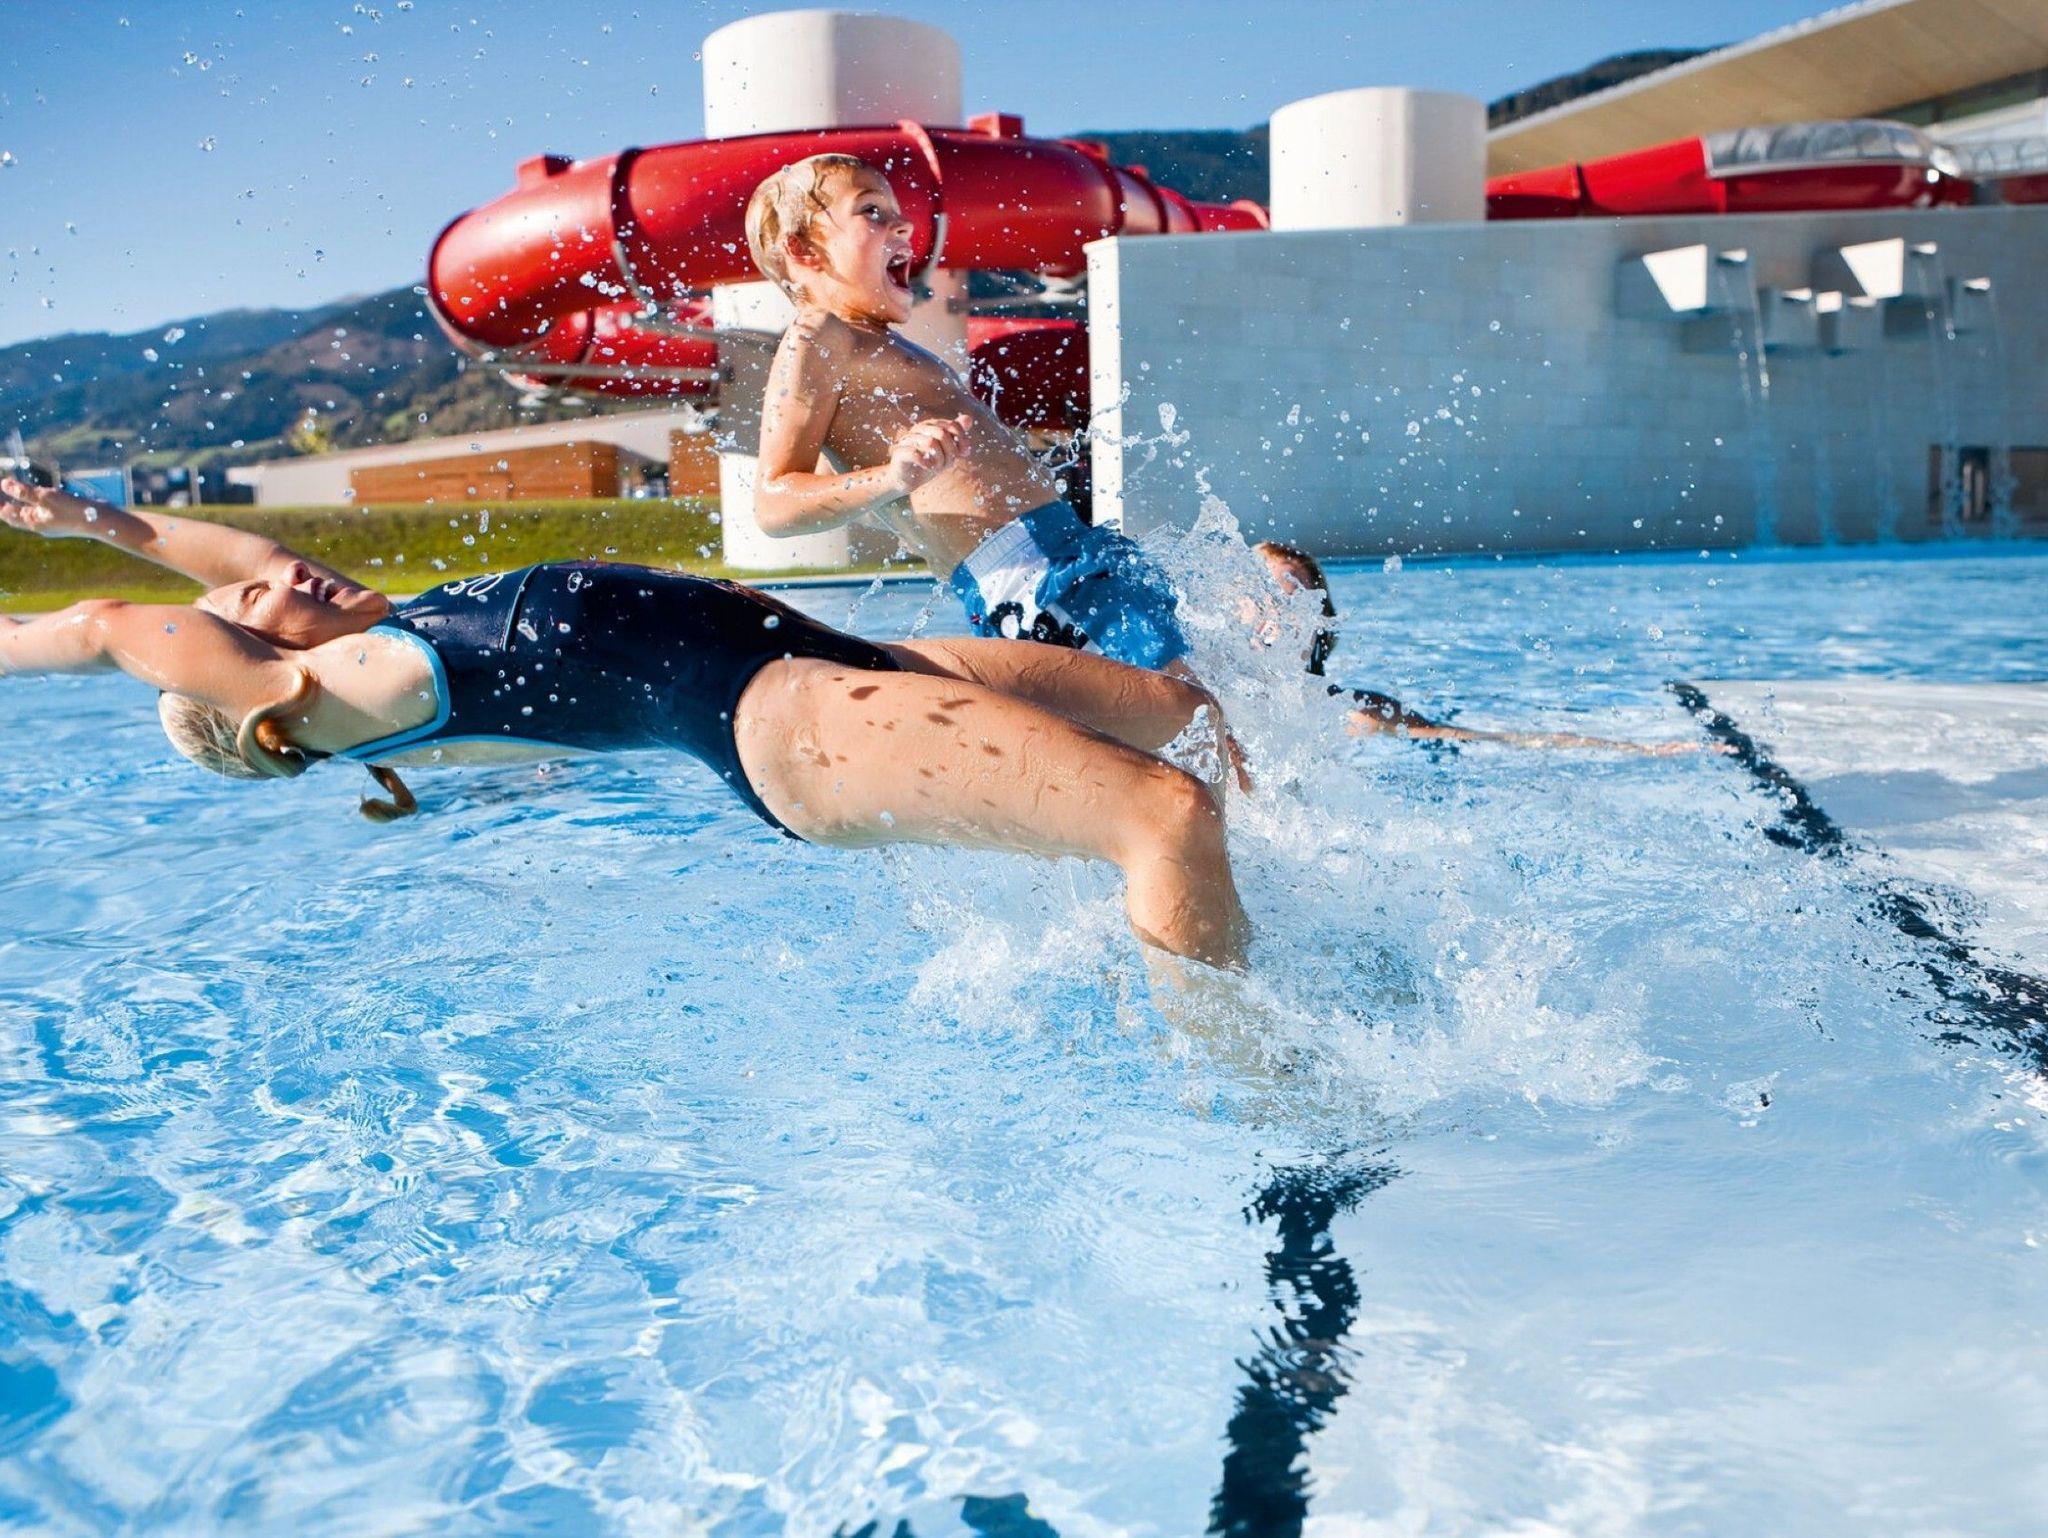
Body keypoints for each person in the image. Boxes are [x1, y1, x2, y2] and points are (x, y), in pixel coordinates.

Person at [0, 480, 1248, 969]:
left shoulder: (389, 629)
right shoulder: (339, 695)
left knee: (1191, 721)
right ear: (255, 697)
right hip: (791, 717)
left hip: (850, 661)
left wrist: (89, 518)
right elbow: (109, 624)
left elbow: (229, 556)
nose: (274, 577)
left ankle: (1271, 910)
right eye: (244, 616)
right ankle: (1257, 1110)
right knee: (1161, 813)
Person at [744, 155, 1192, 677]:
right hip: (1030, 576)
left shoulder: (874, 345)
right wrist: (892, 478)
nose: (903, 224)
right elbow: (774, 504)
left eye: (895, 210)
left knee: (1192, 705)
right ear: (803, 251)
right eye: (870, 211)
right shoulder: (818, 333)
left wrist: (893, 485)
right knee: (1189, 709)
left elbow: (841, 480)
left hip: (1061, 558)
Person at [1252, 540, 1705, 755]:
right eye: (1266, 600)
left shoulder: (1351, 711)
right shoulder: (1212, 709)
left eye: (1298, 607)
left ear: (1319, 628)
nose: (1281, 620)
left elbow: (1473, 738)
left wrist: (1642, 750)